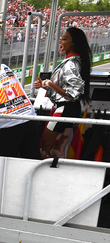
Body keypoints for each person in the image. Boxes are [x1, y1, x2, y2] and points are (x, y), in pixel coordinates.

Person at [33, 27, 92, 158]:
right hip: (68, 108)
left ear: (74, 43)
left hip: (64, 108)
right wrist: (46, 87)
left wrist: (50, 83)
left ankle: (47, 177)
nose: (60, 41)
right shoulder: (74, 61)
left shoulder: (71, 64)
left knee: (45, 149)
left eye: (64, 39)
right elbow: (65, 91)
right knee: (58, 151)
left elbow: (73, 94)